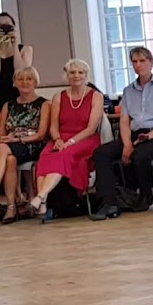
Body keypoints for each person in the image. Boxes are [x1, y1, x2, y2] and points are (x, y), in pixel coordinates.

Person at [89, 47, 153, 220]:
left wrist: (149, 137)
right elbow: (124, 121)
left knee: (140, 154)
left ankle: (145, 196)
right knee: (101, 153)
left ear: (151, 62)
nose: (138, 65)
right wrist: (127, 144)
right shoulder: (128, 91)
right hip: (134, 135)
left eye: (142, 61)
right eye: (135, 62)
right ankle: (109, 202)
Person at [0, 65, 51, 224]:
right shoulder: (8, 105)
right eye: (20, 79)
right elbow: (1, 133)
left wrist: (17, 139)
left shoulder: (44, 104)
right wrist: (5, 139)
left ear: (35, 82)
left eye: (29, 79)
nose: (24, 83)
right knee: (9, 158)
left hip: (32, 145)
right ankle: (11, 206)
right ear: (15, 83)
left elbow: (41, 135)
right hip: (10, 146)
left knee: (4, 148)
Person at [32, 60, 105, 222]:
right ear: (67, 75)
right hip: (61, 138)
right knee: (45, 156)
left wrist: (70, 142)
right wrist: (57, 139)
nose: (76, 76)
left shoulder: (96, 96)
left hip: (85, 139)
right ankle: (43, 202)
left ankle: (41, 196)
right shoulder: (59, 96)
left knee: (62, 155)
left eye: (80, 73)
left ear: (86, 76)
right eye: (72, 72)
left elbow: (91, 129)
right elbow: (53, 126)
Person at [0, 12, 34, 108]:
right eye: (0, 27)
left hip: (19, 95)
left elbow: (21, 72)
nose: (4, 30)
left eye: (8, 26)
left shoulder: (26, 49)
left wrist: (15, 44)